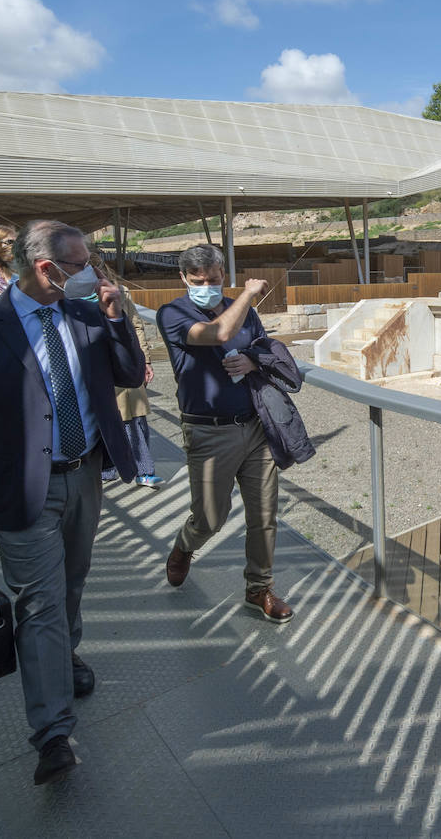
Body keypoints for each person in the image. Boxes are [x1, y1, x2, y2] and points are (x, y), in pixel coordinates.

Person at [0, 219, 145, 786]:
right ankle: (53, 732)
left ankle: (65, 656)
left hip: (85, 476)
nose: (92, 273)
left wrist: (116, 316)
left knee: (72, 583)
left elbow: (129, 374)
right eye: (82, 265)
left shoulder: (84, 316)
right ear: (47, 269)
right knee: (40, 604)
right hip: (21, 488)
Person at [156, 244, 293, 624]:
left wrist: (252, 360)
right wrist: (249, 294)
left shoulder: (243, 311)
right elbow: (217, 334)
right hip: (208, 432)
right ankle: (185, 545)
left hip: (254, 424)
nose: (206, 286)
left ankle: (259, 588)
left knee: (264, 515)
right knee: (210, 518)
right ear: (183, 279)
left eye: (213, 280)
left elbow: (264, 350)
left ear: (222, 274)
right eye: (197, 281)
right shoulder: (173, 313)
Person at [92, 257, 162, 489]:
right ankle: (109, 467)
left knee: (133, 416)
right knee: (108, 417)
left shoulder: (120, 292)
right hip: (95, 364)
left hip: (122, 360)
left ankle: (143, 468)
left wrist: (144, 360)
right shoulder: (69, 296)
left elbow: (136, 324)